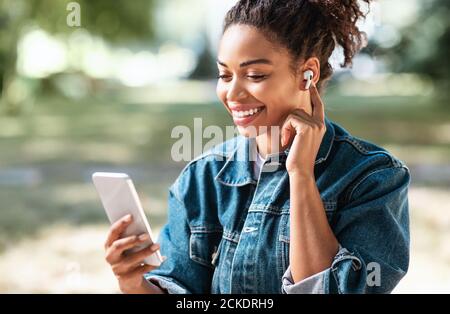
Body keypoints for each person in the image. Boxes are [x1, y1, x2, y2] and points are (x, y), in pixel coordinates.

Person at [104, 0, 410, 294]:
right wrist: (133, 284)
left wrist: (300, 174)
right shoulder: (202, 178)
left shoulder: (373, 178)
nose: (232, 93)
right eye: (225, 75)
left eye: (255, 75)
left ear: (308, 74)